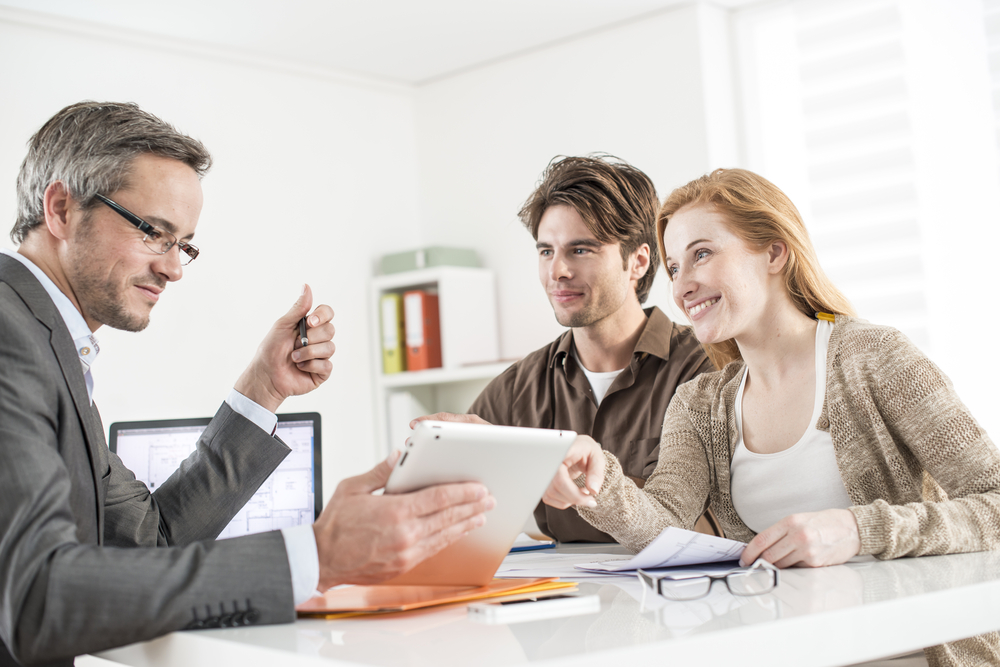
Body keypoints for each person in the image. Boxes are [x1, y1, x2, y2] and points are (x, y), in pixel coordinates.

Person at [0, 101, 494, 667]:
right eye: (154, 233)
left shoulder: (46, 342)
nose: (174, 268)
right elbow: (37, 597)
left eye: (183, 244)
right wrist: (317, 555)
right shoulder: (9, 335)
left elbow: (151, 538)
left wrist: (264, 389)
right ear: (61, 208)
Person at [543, 168, 1000, 666]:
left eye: (702, 254)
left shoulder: (874, 357)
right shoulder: (700, 402)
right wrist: (601, 479)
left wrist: (856, 530)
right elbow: (665, 527)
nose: (683, 286)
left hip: (907, 653)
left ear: (775, 253)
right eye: (673, 268)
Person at [416, 155, 714, 542]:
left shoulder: (704, 368)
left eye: (580, 250)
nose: (557, 271)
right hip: (561, 596)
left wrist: (537, 465)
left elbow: (701, 519)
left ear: (638, 261)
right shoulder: (518, 389)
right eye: (546, 251)